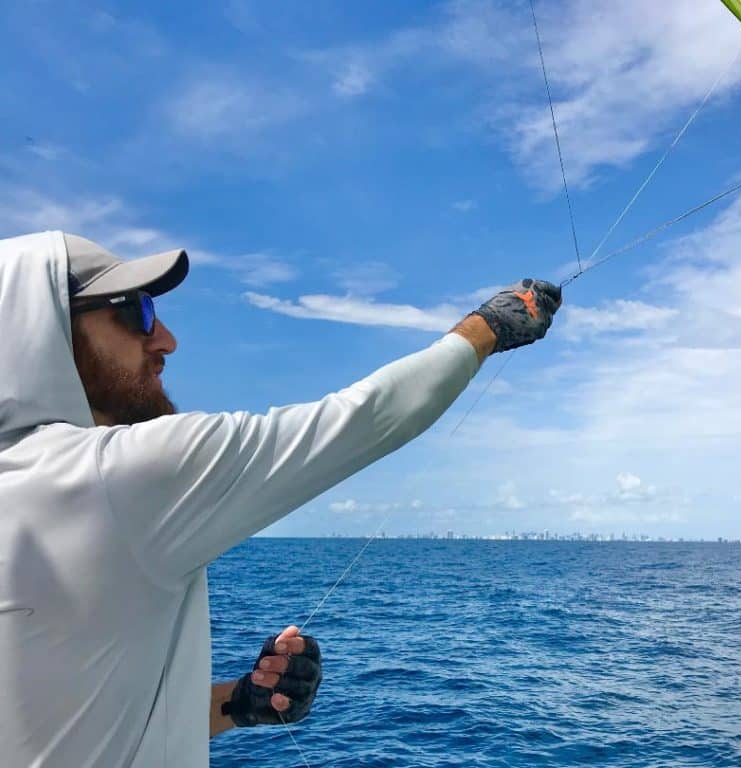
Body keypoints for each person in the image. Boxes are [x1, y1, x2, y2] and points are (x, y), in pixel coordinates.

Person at [0, 230, 561, 767]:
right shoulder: (110, 476)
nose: (166, 338)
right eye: (136, 312)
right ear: (38, 333)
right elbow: (360, 419)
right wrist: (487, 329)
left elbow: (74, 725)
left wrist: (236, 703)